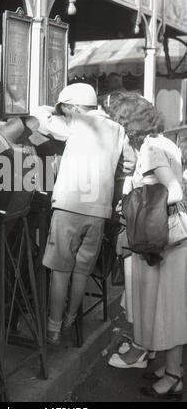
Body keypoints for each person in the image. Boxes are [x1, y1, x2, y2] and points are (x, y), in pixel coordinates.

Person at [32, 83, 135, 345]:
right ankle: (69, 320)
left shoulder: (76, 124)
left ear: (75, 107)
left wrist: (50, 109)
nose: (64, 114)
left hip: (69, 207)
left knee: (60, 270)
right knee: (81, 272)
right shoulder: (117, 129)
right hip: (99, 210)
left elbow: (40, 118)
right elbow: (130, 162)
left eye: (65, 109)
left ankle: (53, 328)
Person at [107, 93, 187, 400]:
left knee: (167, 308)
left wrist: (139, 210)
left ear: (128, 124)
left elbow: (175, 191)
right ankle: (169, 367)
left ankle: (173, 377)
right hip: (172, 238)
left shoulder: (151, 148)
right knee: (169, 306)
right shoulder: (163, 141)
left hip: (163, 240)